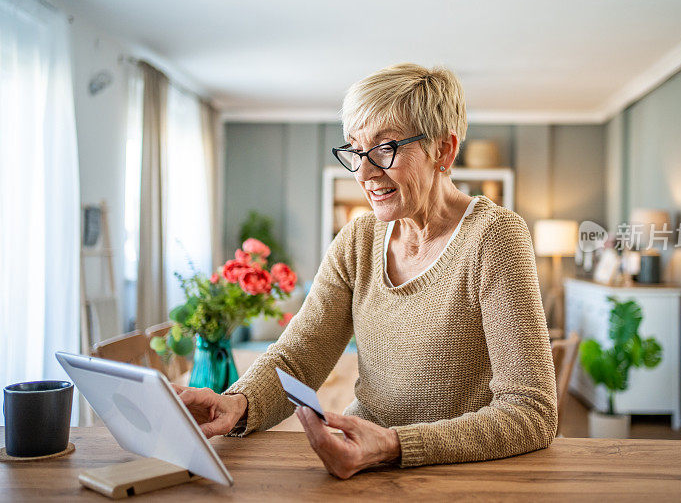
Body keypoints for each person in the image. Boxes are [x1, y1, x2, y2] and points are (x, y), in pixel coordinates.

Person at [175, 63, 557, 479]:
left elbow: (531, 412)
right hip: (360, 463)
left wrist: (394, 446)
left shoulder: (494, 237)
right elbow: (300, 355)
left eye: (385, 148)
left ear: (444, 151)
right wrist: (238, 402)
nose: (364, 172)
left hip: (453, 474)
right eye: (356, 150)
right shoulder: (357, 238)